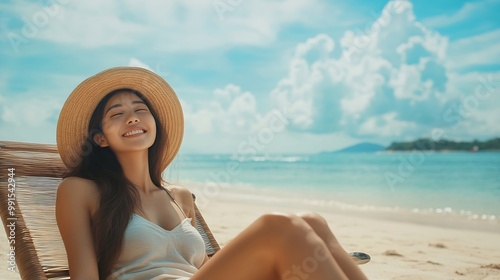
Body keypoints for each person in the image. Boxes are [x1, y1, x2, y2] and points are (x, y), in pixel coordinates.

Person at [55, 67, 368, 280]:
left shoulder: (179, 197)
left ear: (154, 124)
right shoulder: (81, 191)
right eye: (117, 114)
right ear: (100, 138)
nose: (133, 118)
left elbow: (206, 268)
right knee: (280, 226)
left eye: (140, 110)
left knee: (313, 222)